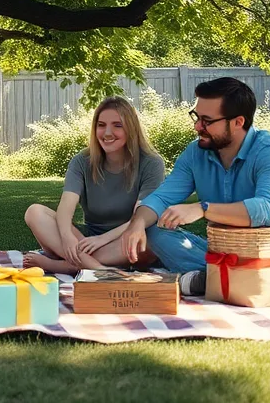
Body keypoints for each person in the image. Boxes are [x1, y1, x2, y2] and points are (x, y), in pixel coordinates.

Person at [118, 77, 270, 295]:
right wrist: (136, 223)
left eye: (207, 121)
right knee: (152, 228)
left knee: (260, 267)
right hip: (219, 252)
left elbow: (268, 211)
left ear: (238, 122)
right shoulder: (195, 153)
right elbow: (161, 198)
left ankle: (207, 279)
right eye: (196, 117)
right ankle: (216, 279)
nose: (197, 126)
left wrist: (202, 208)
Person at [22, 97, 165, 274]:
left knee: (153, 240)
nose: (107, 133)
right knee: (34, 212)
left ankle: (66, 266)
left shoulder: (151, 163)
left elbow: (141, 218)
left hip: (126, 239)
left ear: (132, 128)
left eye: (117, 125)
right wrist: (67, 237)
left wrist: (103, 240)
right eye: (101, 125)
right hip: (88, 241)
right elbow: (66, 207)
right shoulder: (81, 162)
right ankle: (99, 269)